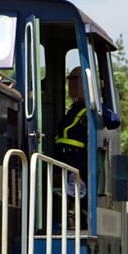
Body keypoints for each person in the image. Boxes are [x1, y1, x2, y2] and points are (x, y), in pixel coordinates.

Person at [54, 66, 88, 198]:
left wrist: (99, 109)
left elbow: (114, 120)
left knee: (75, 192)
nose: (72, 88)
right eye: (71, 83)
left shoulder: (90, 110)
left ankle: (74, 213)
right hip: (61, 160)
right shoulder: (71, 111)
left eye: (76, 84)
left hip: (76, 161)